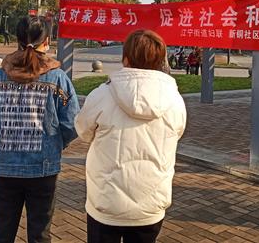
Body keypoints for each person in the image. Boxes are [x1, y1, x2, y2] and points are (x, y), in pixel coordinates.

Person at [0, 16, 80, 243]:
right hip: (44, 169)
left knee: (2, 231)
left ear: (17, 39)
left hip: (5, 167)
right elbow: (72, 124)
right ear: (47, 41)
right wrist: (56, 144)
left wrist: (0, 140)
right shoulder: (58, 78)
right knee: (40, 233)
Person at [75, 29, 187, 243]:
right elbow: (177, 133)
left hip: (106, 202)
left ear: (126, 58)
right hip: (151, 203)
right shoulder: (175, 100)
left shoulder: (101, 95)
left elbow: (83, 131)